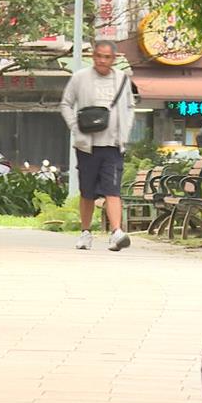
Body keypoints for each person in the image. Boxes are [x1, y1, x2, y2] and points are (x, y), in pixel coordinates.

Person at [59, 40, 134, 252]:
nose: (102, 60)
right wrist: (75, 128)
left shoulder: (122, 80)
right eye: (98, 56)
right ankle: (85, 233)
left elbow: (130, 107)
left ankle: (116, 233)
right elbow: (66, 104)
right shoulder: (79, 78)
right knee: (87, 191)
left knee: (113, 190)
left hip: (113, 145)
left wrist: (124, 133)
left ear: (114, 59)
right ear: (93, 56)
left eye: (107, 57)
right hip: (87, 146)